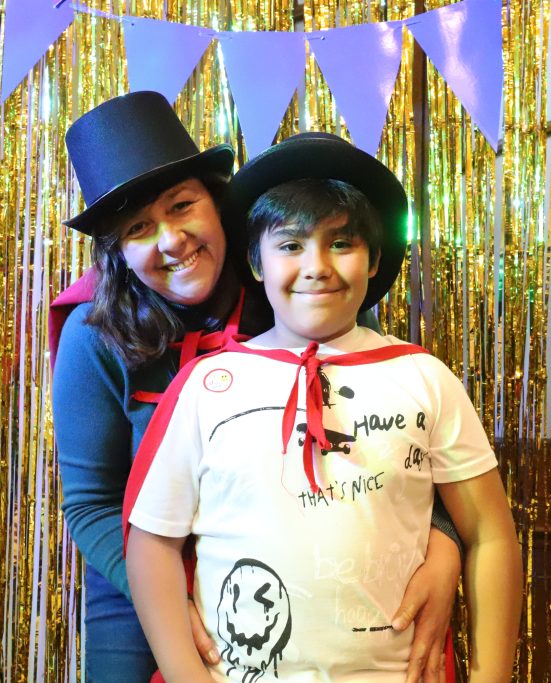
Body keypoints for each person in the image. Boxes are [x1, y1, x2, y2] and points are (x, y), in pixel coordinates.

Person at [51, 92, 465, 682]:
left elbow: (402, 441)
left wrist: (445, 546)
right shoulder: (94, 336)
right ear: (117, 251)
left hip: (292, 577)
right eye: (138, 228)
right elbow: (91, 501)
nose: (171, 240)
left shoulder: (303, 294)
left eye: (182, 206)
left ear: (219, 205)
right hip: (137, 572)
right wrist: (171, 596)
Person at [123, 133, 523, 682]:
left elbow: (491, 534)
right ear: (255, 262)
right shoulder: (206, 386)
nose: (316, 266)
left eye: (341, 243)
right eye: (290, 245)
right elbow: (152, 542)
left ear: (374, 259)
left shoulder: (425, 378)